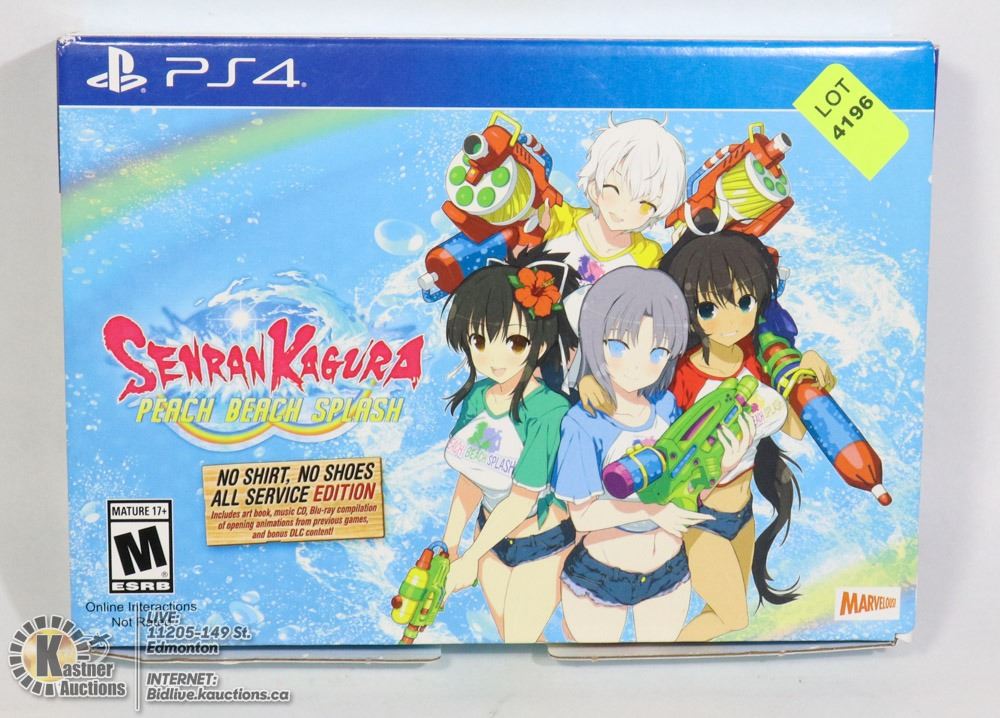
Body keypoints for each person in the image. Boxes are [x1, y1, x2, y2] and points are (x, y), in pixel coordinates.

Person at [552, 267, 754, 642]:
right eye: (619, 346)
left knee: (660, 665)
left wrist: (723, 466)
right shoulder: (584, 423)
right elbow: (582, 515)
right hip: (601, 576)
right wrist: (653, 512)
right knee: (594, 668)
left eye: (657, 351)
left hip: (669, 574)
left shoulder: (664, 406)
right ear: (594, 340)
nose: (638, 365)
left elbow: (685, 487)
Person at [440, 248, 581, 642]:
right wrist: (451, 542)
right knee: (518, 644)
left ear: (539, 344)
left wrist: (470, 558)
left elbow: (522, 498)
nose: (494, 357)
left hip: (542, 542)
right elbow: (472, 476)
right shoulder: (477, 396)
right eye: (479, 340)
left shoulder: (549, 409)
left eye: (514, 342)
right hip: (489, 537)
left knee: (519, 644)